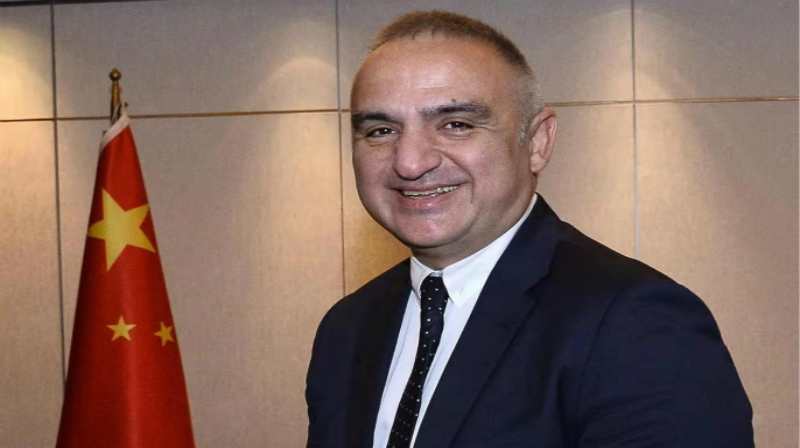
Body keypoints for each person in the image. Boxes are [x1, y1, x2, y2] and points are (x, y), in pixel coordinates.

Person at [306, 10, 753, 448]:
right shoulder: (347, 329)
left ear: (537, 142)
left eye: (456, 125)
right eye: (381, 130)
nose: (409, 162)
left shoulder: (634, 322)